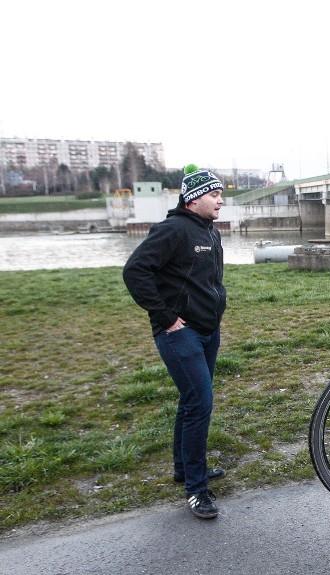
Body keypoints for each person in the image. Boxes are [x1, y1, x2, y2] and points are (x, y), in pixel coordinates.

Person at [123, 164, 227, 519]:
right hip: (181, 334)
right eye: (214, 195)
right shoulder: (173, 230)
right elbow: (135, 270)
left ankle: (185, 468)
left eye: (220, 195)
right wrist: (166, 317)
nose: (220, 201)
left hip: (208, 331)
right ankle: (196, 490)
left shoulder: (209, 231)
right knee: (200, 403)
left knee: (191, 400)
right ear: (194, 197)